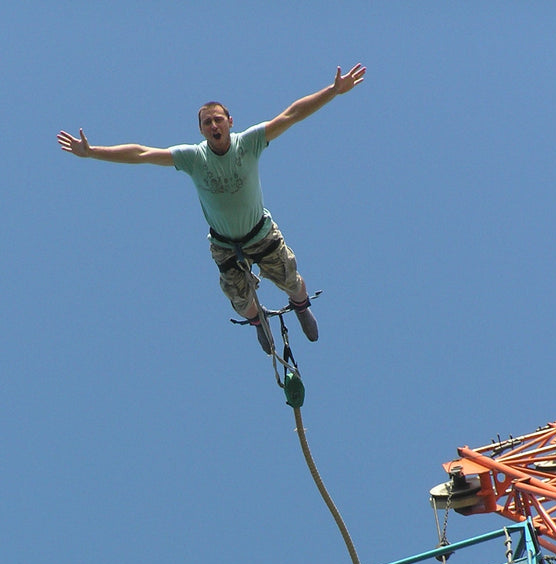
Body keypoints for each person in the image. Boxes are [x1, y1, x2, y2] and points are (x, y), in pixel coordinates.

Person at [57, 64, 366, 354]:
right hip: (224, 244)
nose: (214, 125)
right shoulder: (193, 158)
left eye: (219, 119)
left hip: (261, 233)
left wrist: (333, 90)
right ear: (202, 130)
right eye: (208, 122)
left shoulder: (250, 142)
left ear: (230, 122)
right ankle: (257, 319)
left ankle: (301, 307)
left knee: (291, 280)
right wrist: (93, 152)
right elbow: (142, 153)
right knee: (239, 299)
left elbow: (292, 115)